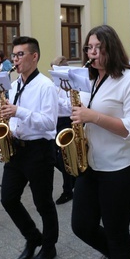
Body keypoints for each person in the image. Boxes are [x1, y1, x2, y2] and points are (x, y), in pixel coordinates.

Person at [71, 25, 130, 259]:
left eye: (99, 48)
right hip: (93, 164)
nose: (93, 53)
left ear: (111, 48)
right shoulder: (91, 79)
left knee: (116, 231)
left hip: (122, 167)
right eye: (89, 48)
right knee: (81, 225)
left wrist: (94, 116)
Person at [0, 36, 59, 259]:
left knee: (43, 202)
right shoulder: (13, 85)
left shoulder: (46, 86)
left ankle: (49, 246)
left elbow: (49, 123)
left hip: (39, 150)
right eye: (14, 55)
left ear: (34, 56)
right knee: (8, 198)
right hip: (16, 148)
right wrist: (8, 125)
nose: (15, 60)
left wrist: (19, 112)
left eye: (20, 55)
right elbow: (13, 115)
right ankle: (33, 236)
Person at [50, 56, 76, 205]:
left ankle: (68, 190)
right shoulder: (53, 84)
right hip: (56, 121)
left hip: (67, 120)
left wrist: (56, 99)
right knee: (53, 156)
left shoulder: (69, 84)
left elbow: (70, 106)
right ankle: (73, 178)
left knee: (64, 157)